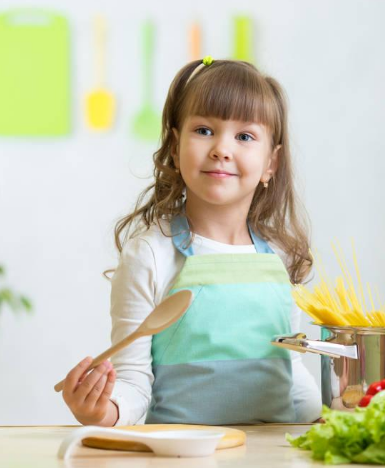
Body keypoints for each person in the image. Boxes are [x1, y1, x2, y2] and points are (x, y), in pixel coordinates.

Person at [61, 56, 322, 426]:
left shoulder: (280, 258)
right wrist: (103, 410)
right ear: (174, 146)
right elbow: (135, 383)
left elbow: (291, 373)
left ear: (271, 164)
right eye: (203, 130)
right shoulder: (150, 255)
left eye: (244, 136)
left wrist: (333, 419)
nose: (222, 148)